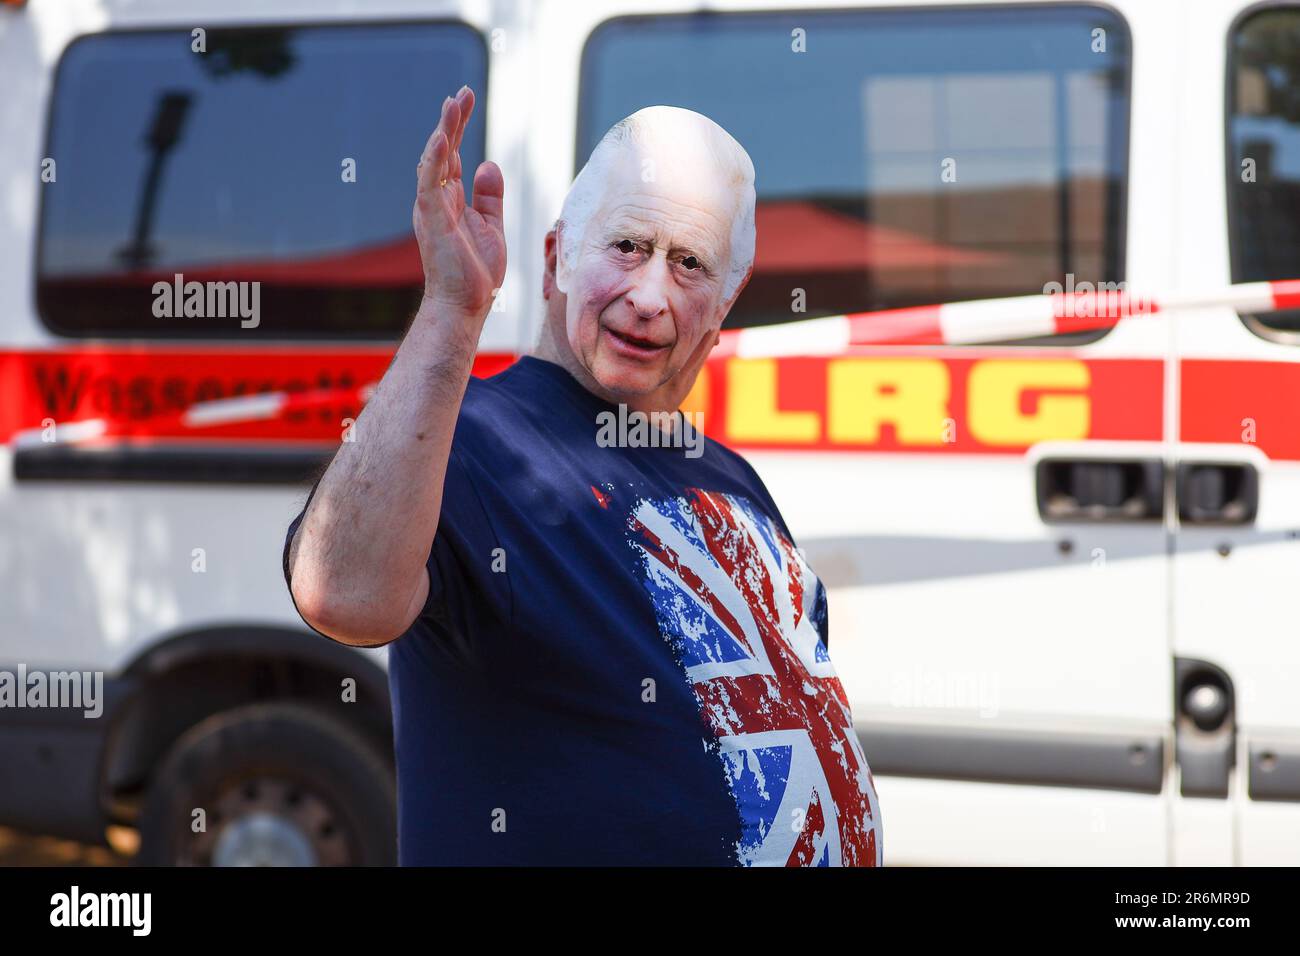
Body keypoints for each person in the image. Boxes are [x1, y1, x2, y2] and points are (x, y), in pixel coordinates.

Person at [283, 85, 883, 866]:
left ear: (725, 301)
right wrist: (451, 311)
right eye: (627, 246)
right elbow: (343, 595)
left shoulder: (731, 477)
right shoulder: (473, 444)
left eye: (690, 263)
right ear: (558, 254)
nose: (649, 297)